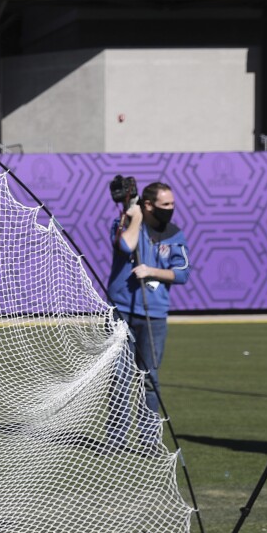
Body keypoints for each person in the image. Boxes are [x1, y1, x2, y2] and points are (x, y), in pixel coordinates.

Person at [106, 183, 192, 447]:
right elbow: (125, 246)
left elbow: (182, 273)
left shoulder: (174, 234)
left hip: (153, 315)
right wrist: (136, 218)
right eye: (165, 205)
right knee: (119, 377)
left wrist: (151, 271)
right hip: (122, 310)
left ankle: (149, 440)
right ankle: (116, 440)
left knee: (150, 378)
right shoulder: (125, 223)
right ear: (148, 205)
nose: (171, 209)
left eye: (172, 204)